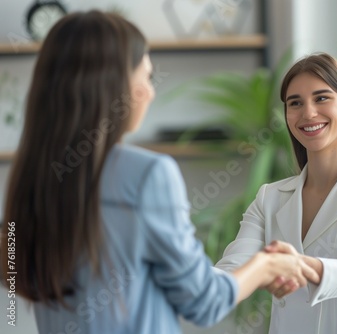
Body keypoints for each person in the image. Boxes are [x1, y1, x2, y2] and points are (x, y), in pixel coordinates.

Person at [0, 10, 319, 334]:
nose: (150, 92)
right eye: (145, 76)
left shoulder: (32, 179)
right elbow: (204, 301)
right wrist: (266, 266)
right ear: (114, 85)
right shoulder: (147, 174)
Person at [215, 53, 337, 334]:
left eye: (321, 98)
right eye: (295, 103)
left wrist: (300, 266)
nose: (308, 113)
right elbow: (233, 269)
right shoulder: (270, 197)